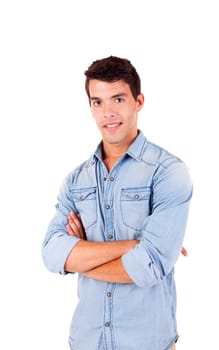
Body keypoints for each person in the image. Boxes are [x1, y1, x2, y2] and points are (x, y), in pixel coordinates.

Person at [41, 56, 193, 350]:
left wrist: (79, 260)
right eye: (97, 102)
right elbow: (51, 253)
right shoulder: (76, 181)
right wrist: (132, 245)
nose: (107, 113)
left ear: (139, 101)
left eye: (118, 99)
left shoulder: (168, 172)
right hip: (86, 341)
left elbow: (148, 266)